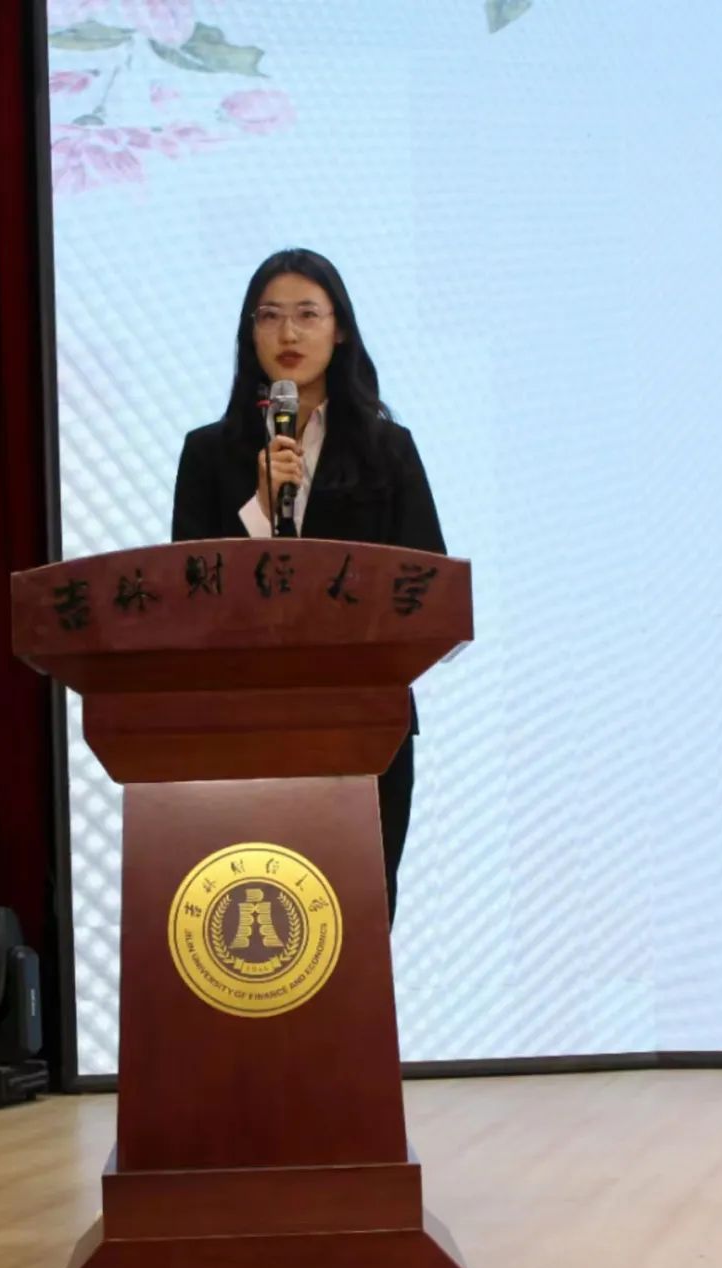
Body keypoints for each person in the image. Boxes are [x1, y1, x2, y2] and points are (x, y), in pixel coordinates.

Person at [171, 247, 446, 924]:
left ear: (340, 328)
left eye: (307, 315)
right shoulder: (209, 454)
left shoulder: (388, 451)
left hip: (365, 724)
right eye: (269, 316)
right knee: (254, 927)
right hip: (242, 723)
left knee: (353, 924)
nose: (288, 333)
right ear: (249, 332)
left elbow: (426, 584)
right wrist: (260, 511)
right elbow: (184, 596)